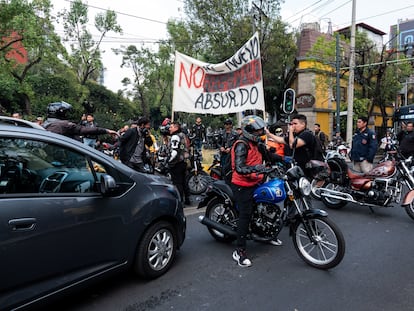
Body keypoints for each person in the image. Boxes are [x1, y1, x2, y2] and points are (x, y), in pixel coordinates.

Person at [231, 115, 284, 268]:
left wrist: (283, 159)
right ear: (249, 131)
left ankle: (268, 234)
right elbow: (239, 168)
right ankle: (240, 250)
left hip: (257, 180)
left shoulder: (257, 143)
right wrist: (256, 168)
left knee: (269, 207)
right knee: (246, 214)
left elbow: (269, 156)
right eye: (258, 132)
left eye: (261, 131)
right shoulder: (241, 144)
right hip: (242, 184)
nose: (260, 134)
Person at [42, 101, 117, 140]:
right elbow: (85, 130)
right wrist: (106, 131)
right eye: (65, 112)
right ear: (60, 113)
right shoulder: (64, 125)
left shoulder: (45, 124)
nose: (67, 115)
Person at [168, 121, 191, 205]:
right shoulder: (183, 135)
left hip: (177, 162)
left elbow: (174, 151)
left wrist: (169, 160)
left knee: (177, 183)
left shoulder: (175, 137)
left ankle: (179, 201)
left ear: (176, 128)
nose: (169, 128)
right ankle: (187, 198)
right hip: (184, 161)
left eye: (171, 127)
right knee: (184, 181)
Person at [218, 118, 238, 184]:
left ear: (231, 125)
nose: (227, 126)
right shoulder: (221, 133)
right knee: (223, 167)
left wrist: (231, 148)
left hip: (232, 154)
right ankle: (224, 180)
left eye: (229, 124)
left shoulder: (235, 134)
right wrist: (221, 147)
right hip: (223, 153)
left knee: (231, 167)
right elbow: (218, 142)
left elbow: (237, 143)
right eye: (226, 124)